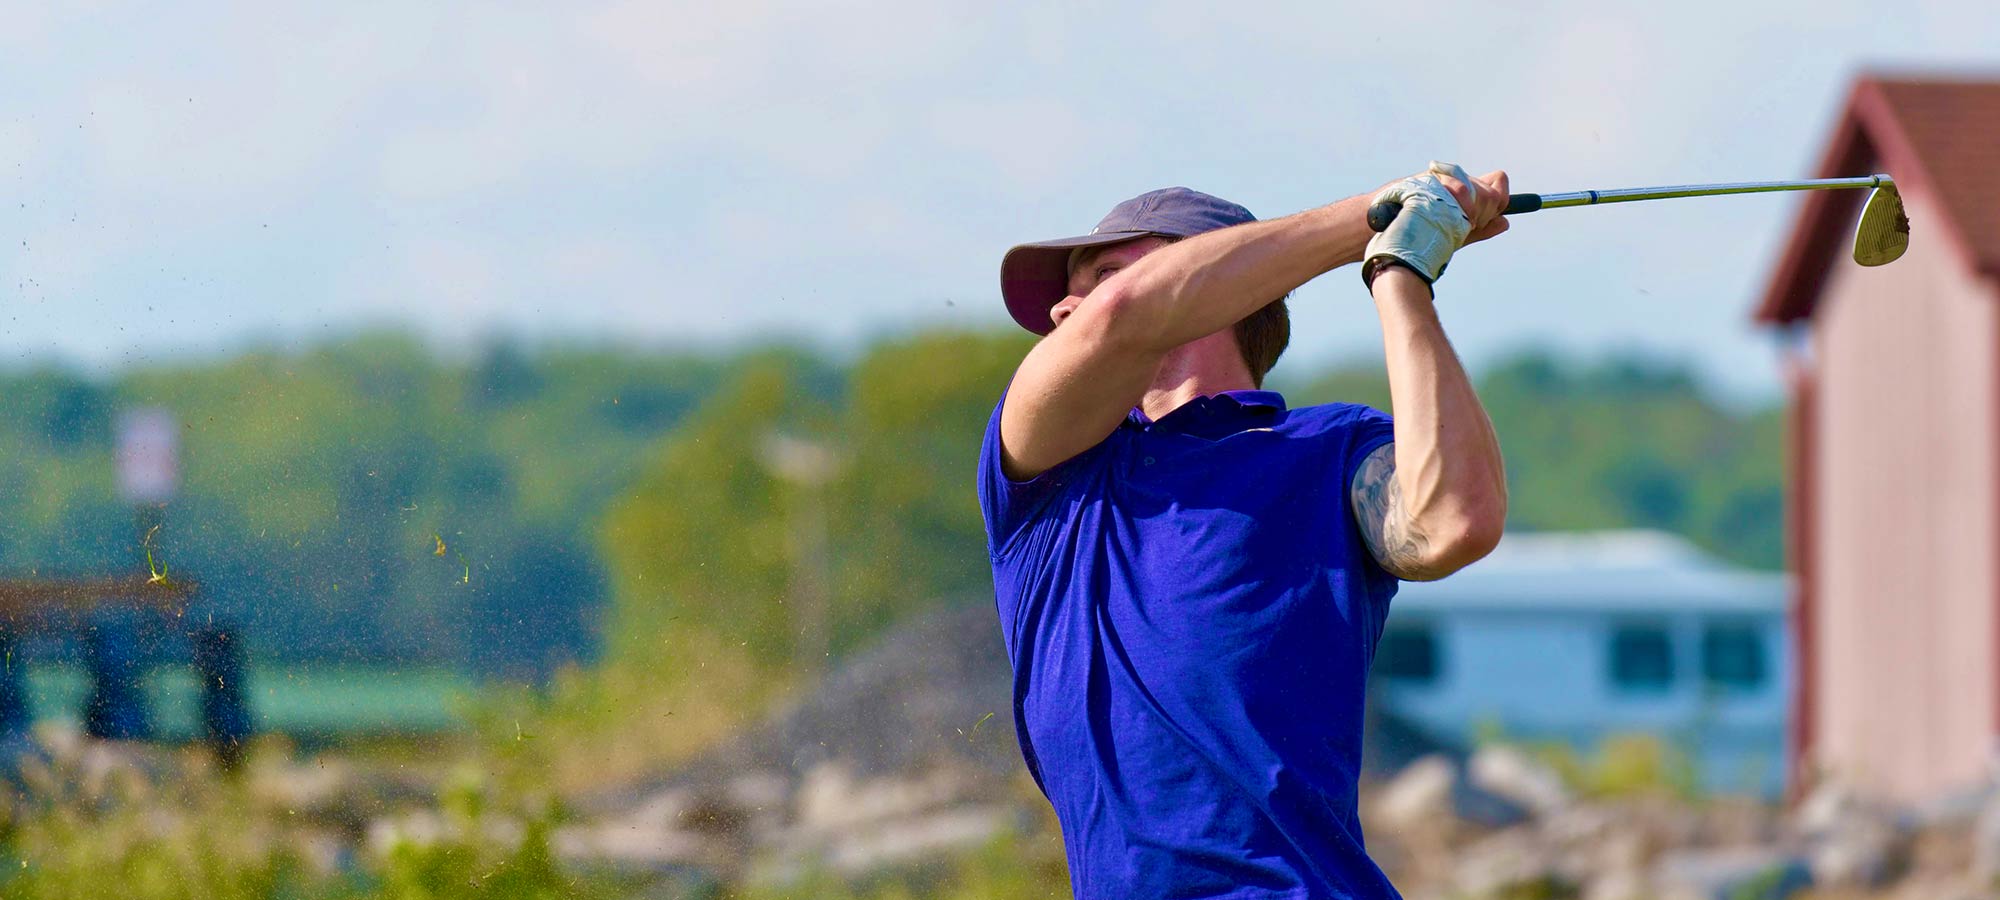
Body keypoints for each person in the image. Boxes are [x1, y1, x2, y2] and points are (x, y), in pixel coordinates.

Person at [977, 164, 1512, 899]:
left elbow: (1457, 521)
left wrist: (1399, 270)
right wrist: (1375, 211)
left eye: (1100, 275)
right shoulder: (1051, 473)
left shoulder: (1331, 449)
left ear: (1224, 288)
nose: (1066, 309)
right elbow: (1125, 316)